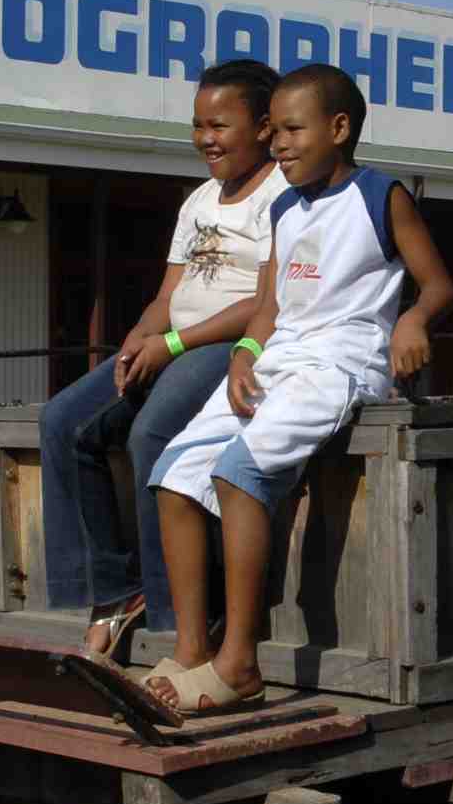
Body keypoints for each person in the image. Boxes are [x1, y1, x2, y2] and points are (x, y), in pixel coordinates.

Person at [145, 63, 453, 713]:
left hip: (340, 363)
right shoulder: (283, 207)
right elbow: (269, 303)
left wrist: (413, 319)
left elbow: (438, 285)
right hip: (279, 359)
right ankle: (190, 651)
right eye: (275, 132)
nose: (279, 144)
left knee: (239, 473)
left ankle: (240, 664)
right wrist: (247, 352)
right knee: (174, 475)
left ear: (338, 128)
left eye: (292, 130)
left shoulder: (381, 195)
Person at [37, 59, 283, 657]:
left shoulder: (282, 196)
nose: (206, 139)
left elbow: (265, 299)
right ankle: (112, 589)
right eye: (199, 125)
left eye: (221, 126)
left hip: (232, 346)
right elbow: (168, 295)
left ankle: (176, 610)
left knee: (152, 434)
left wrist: (173, 343)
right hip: (171, 341)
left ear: (265, 127)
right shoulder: (199, 198)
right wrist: (135, 341)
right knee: (63, 421)